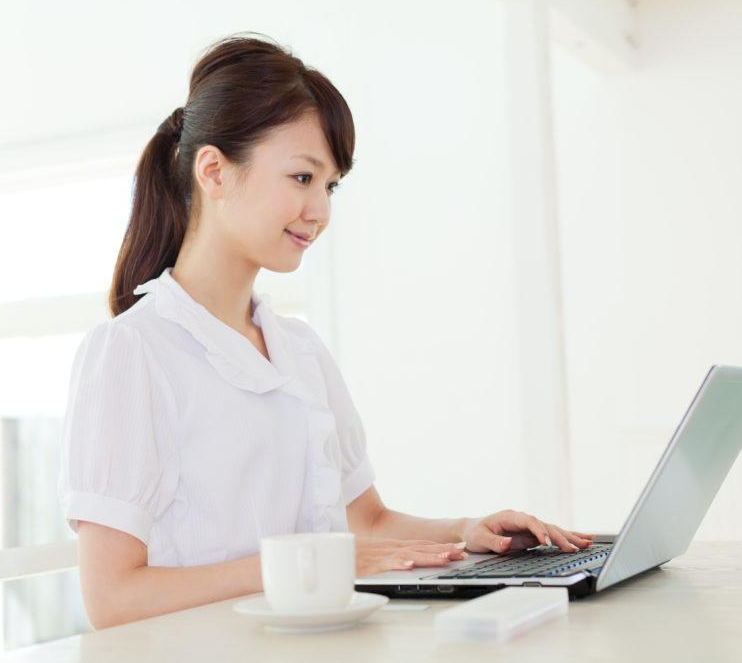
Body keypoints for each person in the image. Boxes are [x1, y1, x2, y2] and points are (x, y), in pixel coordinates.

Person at [58, 32, 595, 630]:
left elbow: (365, 524)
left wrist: (468, 533)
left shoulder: (299, 349)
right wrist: (310, 563)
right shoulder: (132, 351)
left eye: (330, 185)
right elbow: (111, 599)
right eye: (302, 177)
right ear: (213, 170)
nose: (321, 210)